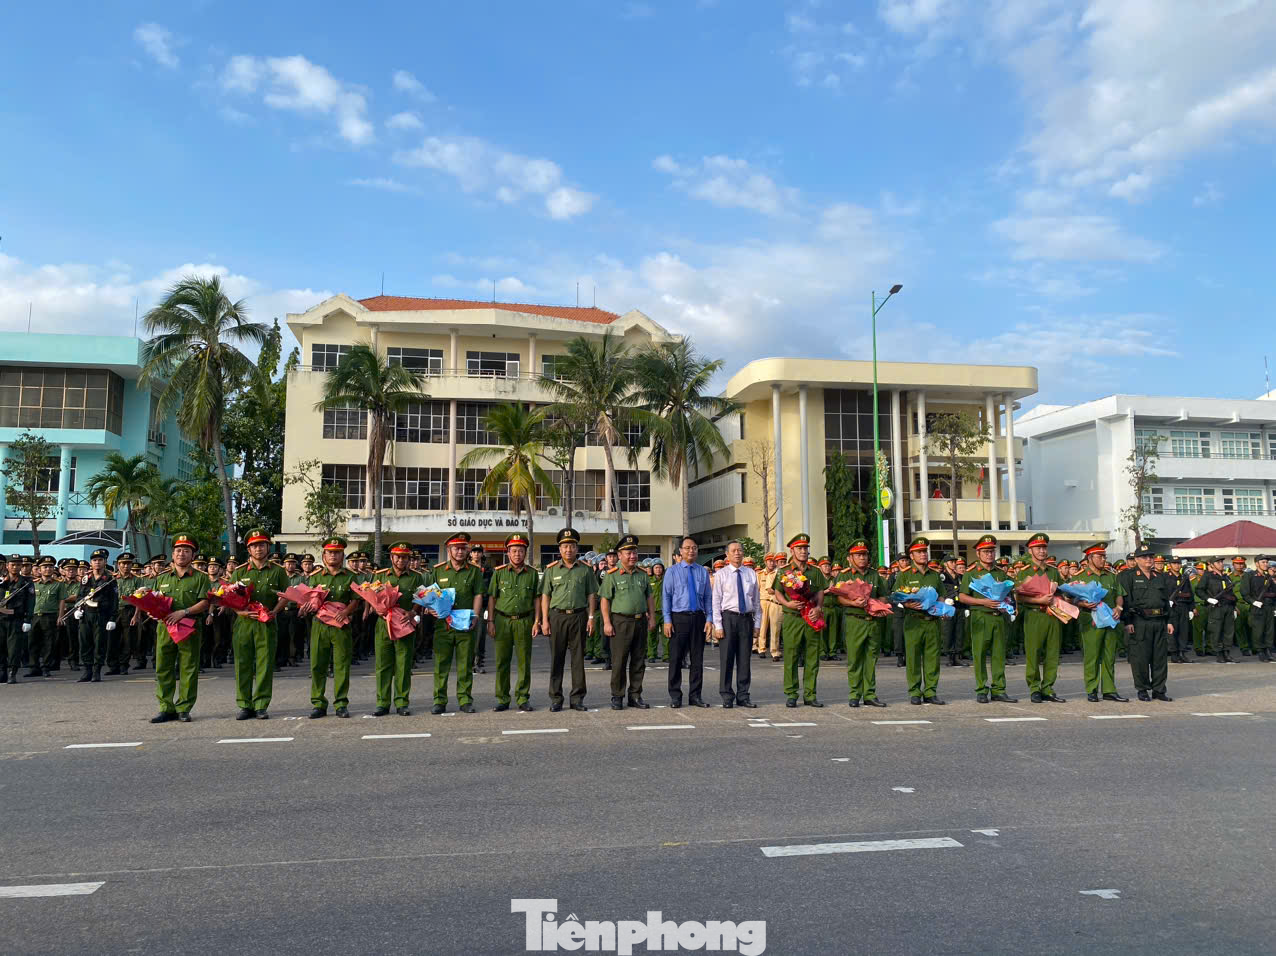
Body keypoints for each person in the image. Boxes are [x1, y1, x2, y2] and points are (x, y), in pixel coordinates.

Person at [226, 529, 290, 720]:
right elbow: (228, 597)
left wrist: (275, 611)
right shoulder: (239, 572)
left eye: (262, 545)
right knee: (243, 663)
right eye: (254, 545)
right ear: (248, 549)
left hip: (266, 623)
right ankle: (245, 704)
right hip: (244, 622)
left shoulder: (278, 571)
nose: (258, 549)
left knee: (265, 664)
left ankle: (261, 704)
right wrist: (239, 611)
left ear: (268, 547)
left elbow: (286, 595)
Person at [150, 534, 211, 723]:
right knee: (163, 668)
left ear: (193, 555)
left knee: (188, 668)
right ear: (172, 554)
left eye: (186, 551)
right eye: (178, 550)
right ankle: (165, 707)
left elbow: (205, 602)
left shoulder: (200, 578)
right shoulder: (162, 578)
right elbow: (154, 599)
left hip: (189, 627)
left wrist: (183, 612)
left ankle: (184, 707)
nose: (181, 554)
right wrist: (151, 612)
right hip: (165, 627)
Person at [303, 537, 361, 718]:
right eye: (330, 552)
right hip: (320, 626)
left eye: (337, 552)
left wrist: (346, 612)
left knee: (341, 665)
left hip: (341, 626)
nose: (333, 555)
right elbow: (307, 599)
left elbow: (356, 599)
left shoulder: (350, 576)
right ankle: (318, 703)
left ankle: (341, 703)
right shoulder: (315, 577)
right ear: (324, 555)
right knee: (317, 665)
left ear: (342, 555)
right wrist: (305, 606)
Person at [540, 527, 597, 712]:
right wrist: (545, 620)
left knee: (578, 659)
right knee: (557, 658)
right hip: (557, 617)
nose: (568, 550)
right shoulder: (551, 570)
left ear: (576, 548)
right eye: (564, 547)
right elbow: (545, 597)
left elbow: (591, 595)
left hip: (579, 616)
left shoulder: (585, 570)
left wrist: (590, 618)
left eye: (571, 546)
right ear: (559, 549)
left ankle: (577, 698)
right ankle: (556, 698)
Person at [770, 533, 829, 708]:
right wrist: (787, 602)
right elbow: (778, 590)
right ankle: (791, 693)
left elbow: (820, 591)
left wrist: (818, 608)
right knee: (791, 656)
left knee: (812, 657)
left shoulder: (815, 571)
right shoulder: (784, 571)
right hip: (792, 618)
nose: (803, 551)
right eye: (800, 548)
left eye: (805, 548)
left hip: (811, 618)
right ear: (792, 550)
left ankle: (810, 694)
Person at [367, 541, 426, 716]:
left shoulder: (417, 577)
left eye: (405, 557)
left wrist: (412, 612)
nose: (401, 560)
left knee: (403, 664)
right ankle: (382, 703)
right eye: (398, 557)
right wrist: (377, 608)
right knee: (383, 665)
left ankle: (402, 702)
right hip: (383, 624)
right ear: (391, 558)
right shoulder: (381, 576)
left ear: (409, 559)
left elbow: (420, 599)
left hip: (404, 625)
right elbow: (370, 598)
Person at [431, 532, 487, 714]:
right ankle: (439, 700)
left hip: (465, 625)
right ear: (449, 550)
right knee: (441, 664)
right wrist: (430, 608)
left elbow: (478, 594)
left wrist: (476, 616)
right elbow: (430, 594)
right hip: (443, 625)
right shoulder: (438, 571)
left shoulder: (474, 571)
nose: (460, 552)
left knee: (465, 664)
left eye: (463, 548)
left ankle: (465, 699)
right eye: (457, 548)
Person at [959, 535, 1017, 704]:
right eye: (985, 551)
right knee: (980, 654)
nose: (989, 555)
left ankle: (999, 689)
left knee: (999, 655)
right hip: (980, 616)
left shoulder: (1000, 572)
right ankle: (981, 689)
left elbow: (1010, 593)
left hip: (998, 617)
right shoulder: (971, 573)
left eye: (991, 551)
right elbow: (962, 596)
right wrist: (982, 601)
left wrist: (1007, 603)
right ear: (978, 553)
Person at [601, 534, 655, 710]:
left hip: (640, 621)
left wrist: (652, 617)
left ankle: (635, 695)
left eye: (634, 552)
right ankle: (617, 695)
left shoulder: (642, 574)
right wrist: (607, 623)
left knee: (639, 661)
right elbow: (605, 600)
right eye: (628, 553)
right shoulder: (612, 575)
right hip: (620, 622)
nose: (632, 556)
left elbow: (649, 597)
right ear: (620, 554)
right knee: (619, 661)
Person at [487, 532, 540, 712]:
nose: (517, 554)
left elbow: (536, 599)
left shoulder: (532, 574)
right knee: (502, 661)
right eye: (514, 550)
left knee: (524, 661)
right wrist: (491, 621)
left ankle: (523, 697)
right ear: (508, 553)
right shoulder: (499, 573)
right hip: (502, 621)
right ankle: (502, 698)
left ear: (525, 553)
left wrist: (537, 621)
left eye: (521, 551)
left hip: (524, 621)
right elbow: (492, 598)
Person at [832, 538, 888, 708]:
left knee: (871, 658)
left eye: (864, 554)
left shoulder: (874, 575)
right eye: (858, 555)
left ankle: (870, 694)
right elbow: (838, 598)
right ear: (850, 557)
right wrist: (852, 603)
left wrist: (879, 605)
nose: (862, 558)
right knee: (855, 658)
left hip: (873, 621)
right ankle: (855, 693)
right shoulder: (845, 575)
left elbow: (883, 595)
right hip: (854, 620)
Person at [1070, 542, 1129, 702]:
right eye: (1100, 556)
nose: (1103, 559)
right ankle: (1092, 689)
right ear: (1090, 558)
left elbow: (1119, 593)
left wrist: (1119, 607)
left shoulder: (1111, 575)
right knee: (1093, 656)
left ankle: (1109, 690)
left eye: (1104, 556)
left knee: (1109, 656)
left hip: (1110, 620)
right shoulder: (1079, 577)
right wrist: (1082, 604)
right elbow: (1069, 599)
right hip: (1090, 620)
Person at [1117, 545, 1174, 702]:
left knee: (1160, 658)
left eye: (1150, 556)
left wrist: (1169, 620)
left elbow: (1165, 601)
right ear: (1136, 560)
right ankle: (1142, 689)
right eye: (1144, 557)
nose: (1149, 559)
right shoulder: (1127, 576)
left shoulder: (1159, 576)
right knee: (1140, 658)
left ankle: (1159, 689)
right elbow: (1125, 600)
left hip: (1159, 621)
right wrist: (1127, 621)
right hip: (1139, 621)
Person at [1014, 532, 1066, 704]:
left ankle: (1048, 687)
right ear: (1030, 551)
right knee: (1033, 653)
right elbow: (1019, 597)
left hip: (1052, 616)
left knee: (1052, 653)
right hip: (1034, 615)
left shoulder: (1053, 571)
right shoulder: (1024, 572)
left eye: (1044, 547)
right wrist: (1038, 600)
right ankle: (1035, 688)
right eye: (1038, 548)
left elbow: (1061, 592)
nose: (1042, 551)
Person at [662, 536, 713, 708]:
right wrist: (667, 620)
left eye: (694, 548)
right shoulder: (672, 571)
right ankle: (675, 695)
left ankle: (695, 695)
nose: (691, 551)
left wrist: (709, 619)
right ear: (681, 551)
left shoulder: (702, 571)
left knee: (697, 659)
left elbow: (707, 597)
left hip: (698, 617)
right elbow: (666, 597)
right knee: (676, 658)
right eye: (687, 548)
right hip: (679, 618)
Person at [894, 537, 946, 705]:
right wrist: (907, 603)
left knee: (932, 657)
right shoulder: (905, 575)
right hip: (913, 620)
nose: (923, 554)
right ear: (912, 555)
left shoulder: (935, 575)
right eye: (919, 552)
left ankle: (931, 691)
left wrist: (943, 608)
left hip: (932, 621)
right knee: (913, 657)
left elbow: (942, 595)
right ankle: (915, 691)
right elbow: (896, 596)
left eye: (925, 551)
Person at [710, 539, 760, 709]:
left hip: (746, 619)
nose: (737, 553)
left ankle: (743, 695)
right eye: (733, 550)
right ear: (727, 554)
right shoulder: (721, 575)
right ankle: (726, 695)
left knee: (745, 660)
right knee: (727, 659)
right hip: (728, 619)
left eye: (739, 550)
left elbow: (757, 601)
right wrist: (718, 625)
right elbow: (716, 601)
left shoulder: (751, 574)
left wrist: (757, 624)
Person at [74, 548, 119, 684]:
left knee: (99, 643)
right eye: (94, 560)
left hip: (101, 615)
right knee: (85, 643)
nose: (97, 562)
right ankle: (87, 670)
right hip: (86, 615)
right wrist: (78, 609)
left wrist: (112, 618)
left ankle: (96, 671)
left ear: (105, 562)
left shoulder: (110, 579)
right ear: (90, 563)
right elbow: (80, 596)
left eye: (100, 560)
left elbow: (114, 600)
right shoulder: (85, 579)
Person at [26, 556, 66, 678]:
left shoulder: (58, 585)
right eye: (44, 567)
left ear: (53, 569)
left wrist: (60, 617)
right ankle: (34, 667)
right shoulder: (33, 584)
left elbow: (61, 601)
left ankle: (46, 667)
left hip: (50, 616)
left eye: (50, 567)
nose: (47, 569)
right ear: (39, 569)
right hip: (35, 616)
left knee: (49, 643)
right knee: (33, 642)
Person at [0, 555, 34, 684]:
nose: (15, 567)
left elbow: (30, 602)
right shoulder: (1, 581)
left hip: (16, 619)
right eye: (12, 564)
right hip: (1, 619)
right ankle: (2, 671)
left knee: (14, 648)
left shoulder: (26, 583)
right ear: (7, 566)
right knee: (1, 646)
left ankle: (12, 672)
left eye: (18, 565)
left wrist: (28, 620)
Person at [1199, 555, 1237, 663]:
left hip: (1228, 607)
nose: (1221, 564)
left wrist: (1234, 607)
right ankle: (1219, 653)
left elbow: (1231, 593)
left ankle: (1226, 652)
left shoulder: (1226, 577)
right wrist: (1208, 599)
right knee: (1216, 630)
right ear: (1211, 565)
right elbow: (1199, 590)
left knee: (1228, 631)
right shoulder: (1208, 576)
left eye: (1221, 562)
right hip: (1216, 607)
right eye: (1218, 562)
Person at [1241, 554, 1276, 663]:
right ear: (1257, 564)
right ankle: (1260, 650)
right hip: (1258, 607)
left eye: (1267, 562)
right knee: (1258, 630)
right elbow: (1244, 592)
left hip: (1269, 607)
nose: (1266, 564)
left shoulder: (1268, 576)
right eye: (1263, 562)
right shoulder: (1249, 575)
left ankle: (1268, 650)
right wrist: (1253, 602)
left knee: (1269, 630)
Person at [756, 553, 780, 660]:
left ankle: (775, 651)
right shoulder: (760, 574)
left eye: (773, 560)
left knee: (775, 628)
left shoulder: (778, 573)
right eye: (769, 561)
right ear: (765, 562)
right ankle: (761, 648)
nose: (771, 563)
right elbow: (756, 590)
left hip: (774, 601)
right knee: (763, 626)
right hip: (763, 601)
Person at [646, 562, 667, 662]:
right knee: (652, 635)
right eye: (656, 568)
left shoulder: (666, 580)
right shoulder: (649, 581)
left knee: (666, 635)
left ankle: (666, 655)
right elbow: (645, 596)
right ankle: (651, 655)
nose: (658, 570)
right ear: (653, 570)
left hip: (665, 611)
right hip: (653, 612)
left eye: (660, 568)